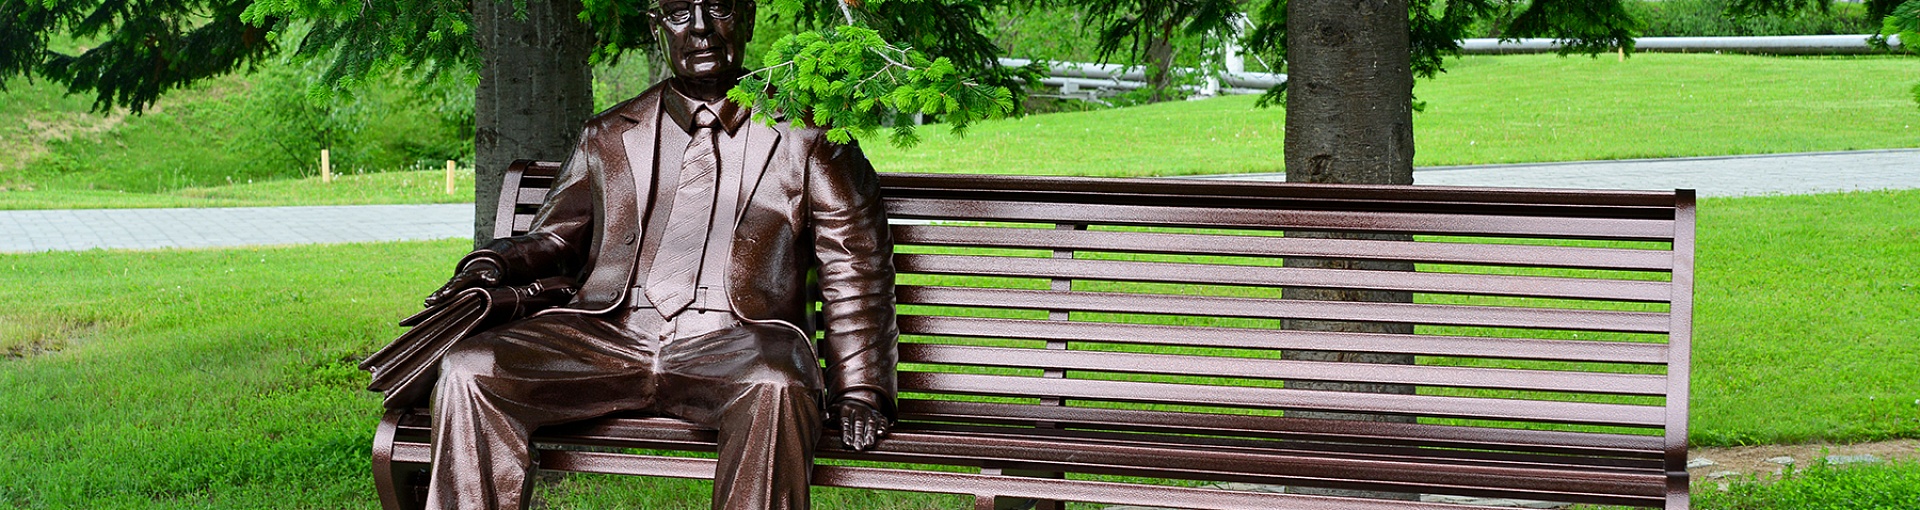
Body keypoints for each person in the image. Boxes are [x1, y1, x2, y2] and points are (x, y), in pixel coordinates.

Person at [418, 0, 897, 507]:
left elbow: (855, 264)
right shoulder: (608, 133)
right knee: (471, 368)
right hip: (611, 334)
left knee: (776, 383)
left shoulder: (810, 136)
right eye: (678, 13)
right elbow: (556, 239)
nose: (701, 29)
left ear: (749, 18)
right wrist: (494, 262)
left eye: (718, 8)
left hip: (737, 342)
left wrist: (860, 389)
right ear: (656, 28)